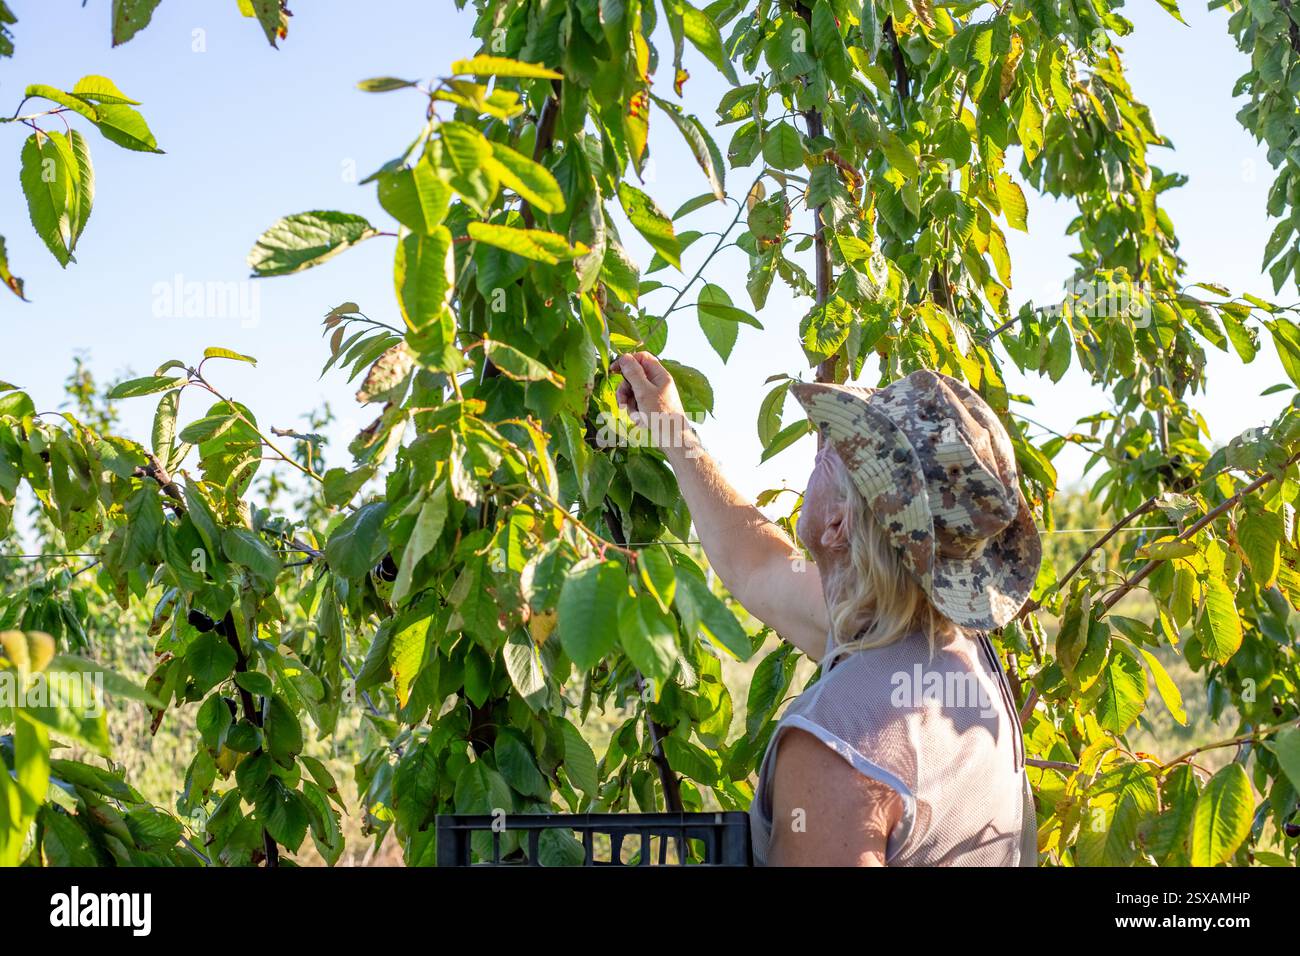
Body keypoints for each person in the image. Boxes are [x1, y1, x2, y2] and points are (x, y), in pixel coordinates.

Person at [614, 352, 1041, 866]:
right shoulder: (942, 647)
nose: (818, 451)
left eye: (830, 454)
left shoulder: (841, 746)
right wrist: (674, 432)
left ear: (838, 525)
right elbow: (757, 567)